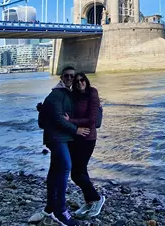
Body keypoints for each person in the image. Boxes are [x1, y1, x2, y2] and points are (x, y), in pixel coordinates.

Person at [30, 67, 89, 226]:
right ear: (62, 77)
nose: (70, 78)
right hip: (57, 138)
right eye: (67, 76)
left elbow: (48, 119)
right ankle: (60, 211)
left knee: (55, 170)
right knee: (65, 167)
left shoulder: (66, 94)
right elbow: (57, 118)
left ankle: (50, 208)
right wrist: (76, 130)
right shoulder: (57, 94)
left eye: (73, 76)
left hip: (60, 137)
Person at [67, 72, 106, 217]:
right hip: (75, 137)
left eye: (82, 80)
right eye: (76, 81)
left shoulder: (92, 92)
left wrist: (71, 121)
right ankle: (89, 200)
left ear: (86, 81)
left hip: (88, 138)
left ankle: (97, 198)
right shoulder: (74, 96)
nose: (79, 83)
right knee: (81, 171)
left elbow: (91, 119)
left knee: (76, 174)